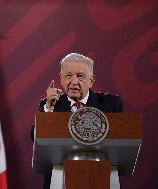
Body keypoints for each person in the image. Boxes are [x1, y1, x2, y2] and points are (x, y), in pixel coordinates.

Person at [32, 53, 123, 189]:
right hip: (59, 180)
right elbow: (35, 137)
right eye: (69, 76)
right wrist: (49, 109)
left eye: (80, 76)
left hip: (100, 177)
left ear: (91, 80)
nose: (74, 82)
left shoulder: (110, 104)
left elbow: (120, 139)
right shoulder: (49, 104)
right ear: (61, 79)